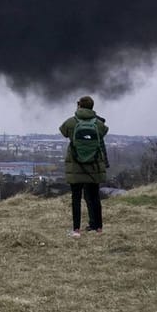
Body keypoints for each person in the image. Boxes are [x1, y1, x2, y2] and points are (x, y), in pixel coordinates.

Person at [59, 95, 109, 237]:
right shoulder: (98, 124)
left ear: (79, 106)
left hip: (76, 166)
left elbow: (63, 131)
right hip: (93, 167)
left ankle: (76, 230)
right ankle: (99, 228)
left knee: (76, 198)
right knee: (94, 197)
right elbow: (104, 131)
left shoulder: (71, 122)